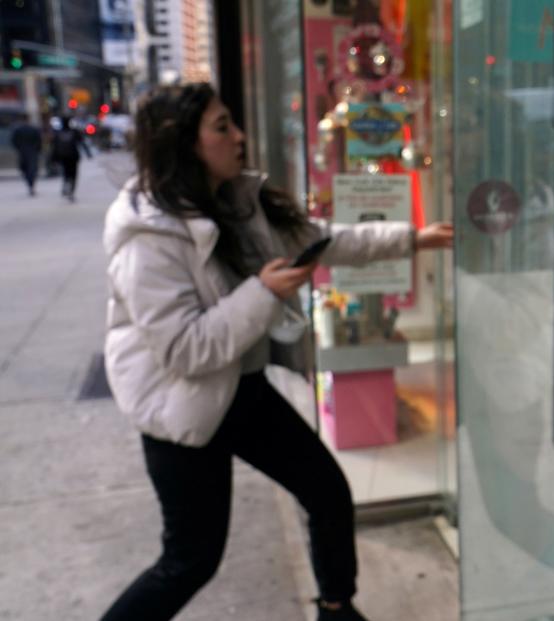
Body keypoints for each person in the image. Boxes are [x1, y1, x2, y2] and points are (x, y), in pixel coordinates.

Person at [99, 83, 454, 621]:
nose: (239, 137)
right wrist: (262, 294)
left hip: (240, 389)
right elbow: (184, 351)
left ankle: (337, 609)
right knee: (191, 561)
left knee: (328, 493)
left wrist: (413, 238)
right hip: (183, 409)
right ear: (184, 144)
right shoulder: (147, 241)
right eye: (222, 127)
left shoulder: (233, 203)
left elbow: (321, 241)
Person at [50, 116, 92, 201]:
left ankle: (66, 184)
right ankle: (71, 191)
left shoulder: (58, 133)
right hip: (73, 156)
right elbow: (82, 143)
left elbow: (54, 147)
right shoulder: (75, 132)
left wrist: (53, 158)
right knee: (74, 174)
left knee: (66, 173)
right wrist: (88, 153)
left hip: (63, 157)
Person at [9, 120, 42, 196]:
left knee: (25, 168)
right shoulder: (33, 129)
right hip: (32, 151)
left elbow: (14, 140)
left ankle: (30, 183)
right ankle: (31, 183)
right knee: (31, 169)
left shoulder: (19, 130)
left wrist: (18, 148)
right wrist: (37, 149)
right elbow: (39, 140)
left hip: (23, 151)